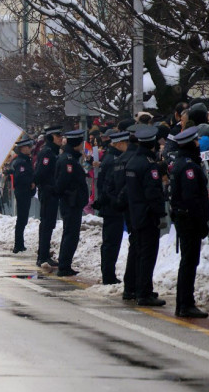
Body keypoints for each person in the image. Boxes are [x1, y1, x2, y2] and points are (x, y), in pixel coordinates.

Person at [168, 127, 209, 318]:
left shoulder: (181, 163)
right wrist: (201, 221)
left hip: (183, 218)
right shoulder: (189, 167)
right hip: (189, 220)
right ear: (192, 143)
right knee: (189, 262)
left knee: (188, 261)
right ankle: (186, 304)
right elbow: (192, 198)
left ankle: (184, 303)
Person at [124, 125, 166, 306]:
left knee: (138, 252)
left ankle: (137, 288)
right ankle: (144, 292)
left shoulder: (132, 162)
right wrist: (159, 213)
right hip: (147, 215)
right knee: (147, 255)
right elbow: (153, 193)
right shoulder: (149, 165)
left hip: (135, 213)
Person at [93, 130, 129, 284]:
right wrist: (116, 202)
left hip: (109, 206)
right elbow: (109, 186)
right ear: (119, 143)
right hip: (112, 207)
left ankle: (108, 274)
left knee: (111, 242)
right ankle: (108, 275)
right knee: (111, 242)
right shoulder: (114, 160)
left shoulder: (109, 157)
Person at [53, 129, 88, 276]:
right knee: (71, 234)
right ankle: (64, 265)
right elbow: (63, 183)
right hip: (71, 202)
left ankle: (65, 264)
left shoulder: (69, 158)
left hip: (72, 202)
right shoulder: (68, 160)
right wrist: (71, 196)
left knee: (71, 233)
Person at [34, 125, 64, 268]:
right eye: (58, 136)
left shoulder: (53, 151)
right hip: (48, 193)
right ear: (52, 137)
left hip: (51, 192)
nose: (61, 139)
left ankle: (44, 254)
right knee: (46, 224)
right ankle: (42, 256)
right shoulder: (47, 152)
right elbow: (41, 173)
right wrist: (50, 187)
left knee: (49, 224)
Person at [9, 137, 35, 253]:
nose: (30, 149)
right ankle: (18, 244)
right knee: (21, 219)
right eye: (28, 147)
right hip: (22, 192)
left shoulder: (25, 160)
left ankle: (20, 243)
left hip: (24, 192)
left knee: (23, 219)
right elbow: (20, 177)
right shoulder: (21, 162)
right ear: (23, 148)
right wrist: (30, 182)